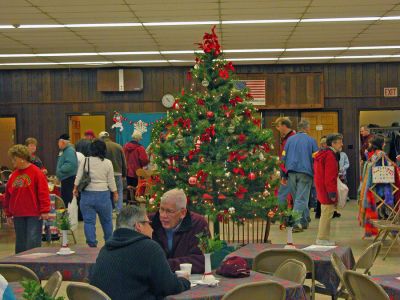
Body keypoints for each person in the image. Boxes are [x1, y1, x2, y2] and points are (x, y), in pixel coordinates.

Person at [90, 206, 190, 300]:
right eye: (148, 223)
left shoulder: (106, 248)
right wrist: (184, 281)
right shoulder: (149, 247)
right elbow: (168, 287)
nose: (152, 229)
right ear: (138, 226)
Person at [3, 145, 50, 253]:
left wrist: (45, 210)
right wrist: (8, 213)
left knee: (32, 241)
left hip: (34, 214)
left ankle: (33, 266)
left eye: (14, 159)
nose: (12, 161)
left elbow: (43, 192)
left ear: (23, 159)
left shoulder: (37, 172)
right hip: (18, 215)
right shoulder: (13, 175)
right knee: (20, 243)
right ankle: (20, 266)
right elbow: (8, 196)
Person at [150, 189, 209, 274]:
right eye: (161, 209)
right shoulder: (150, 222)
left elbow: (203, 260)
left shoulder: (198, 223)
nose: (163, 215)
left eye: (169, 211)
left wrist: (165, 265)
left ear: (183, 213)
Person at [73, 139, 117, 247]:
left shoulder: (85, 160)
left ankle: (92, 245)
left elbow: (78, 176)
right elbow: (111, 180)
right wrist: (115, 193)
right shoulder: (107, 163)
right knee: (107, 222)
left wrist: (75, 188)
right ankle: (109, 243)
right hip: (103, 196)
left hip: (87, 195)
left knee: (88, 222)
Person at [359, 135, 400, 237]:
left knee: (379, 208)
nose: (385, 144)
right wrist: (394, 165)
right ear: (381, 144)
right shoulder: (381, 154)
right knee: (389, 205)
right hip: (382, 185)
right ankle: (392, 230)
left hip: (373, 186)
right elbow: (389, 166)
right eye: (384, 142)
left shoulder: (371, 154)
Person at [282, 119, 318, 232]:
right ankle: (295, 224)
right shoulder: (311, 140)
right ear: (307, 128)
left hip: (290, 172)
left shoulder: (289, 140)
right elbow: (316, 158)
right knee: (301, 199)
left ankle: (304, 220)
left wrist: (283, 174)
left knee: (297, 198)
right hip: (305, 172)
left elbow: (283, 157)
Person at [314, 133, 343, 246]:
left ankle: (323, 238)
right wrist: (332, 193)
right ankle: (322, 238)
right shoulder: (330, 156)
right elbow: (330, 177)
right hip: (327, 190)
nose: (342, 144)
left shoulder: (323, 154)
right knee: (327, 214)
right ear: (333, 143)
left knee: (325, 213)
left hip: (322, 188)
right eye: (340, 142)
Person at [99, 131, 127, 213]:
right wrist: (124, 174)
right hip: (118, 172)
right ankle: (119, 210)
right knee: (119, 191)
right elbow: (124, 161)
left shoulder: (101, 147)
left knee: (107, 192)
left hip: (105, 174)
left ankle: (110, 210)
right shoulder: (118, 146)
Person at [275, 117, 296, 208]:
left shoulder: (292, 138)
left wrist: (284, 173)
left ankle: (286, 215)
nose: (277, 129)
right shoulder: (286, 138)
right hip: (285, 169)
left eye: (278, 126)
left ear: (284, 126)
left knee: (284, 194)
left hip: (288, 170)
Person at [123, 131, 149, 200]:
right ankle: (134, 205)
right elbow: (144, 160)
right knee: (136, 189)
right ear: (138, 138)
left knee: (129, 188)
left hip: (127, 171)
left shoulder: (125, 146)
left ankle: (128, 203)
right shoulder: (140, 148)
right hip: (136, 172)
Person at [56, 134, 78, 207]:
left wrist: (60, 170)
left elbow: (70, 165)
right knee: (65, 199)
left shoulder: (69, 151)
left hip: (68, 179)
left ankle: (69, 216)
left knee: (67, 200)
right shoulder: (65, 150)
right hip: (65, 179)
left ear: (63, 142)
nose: (58, 144)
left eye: (58, 142)